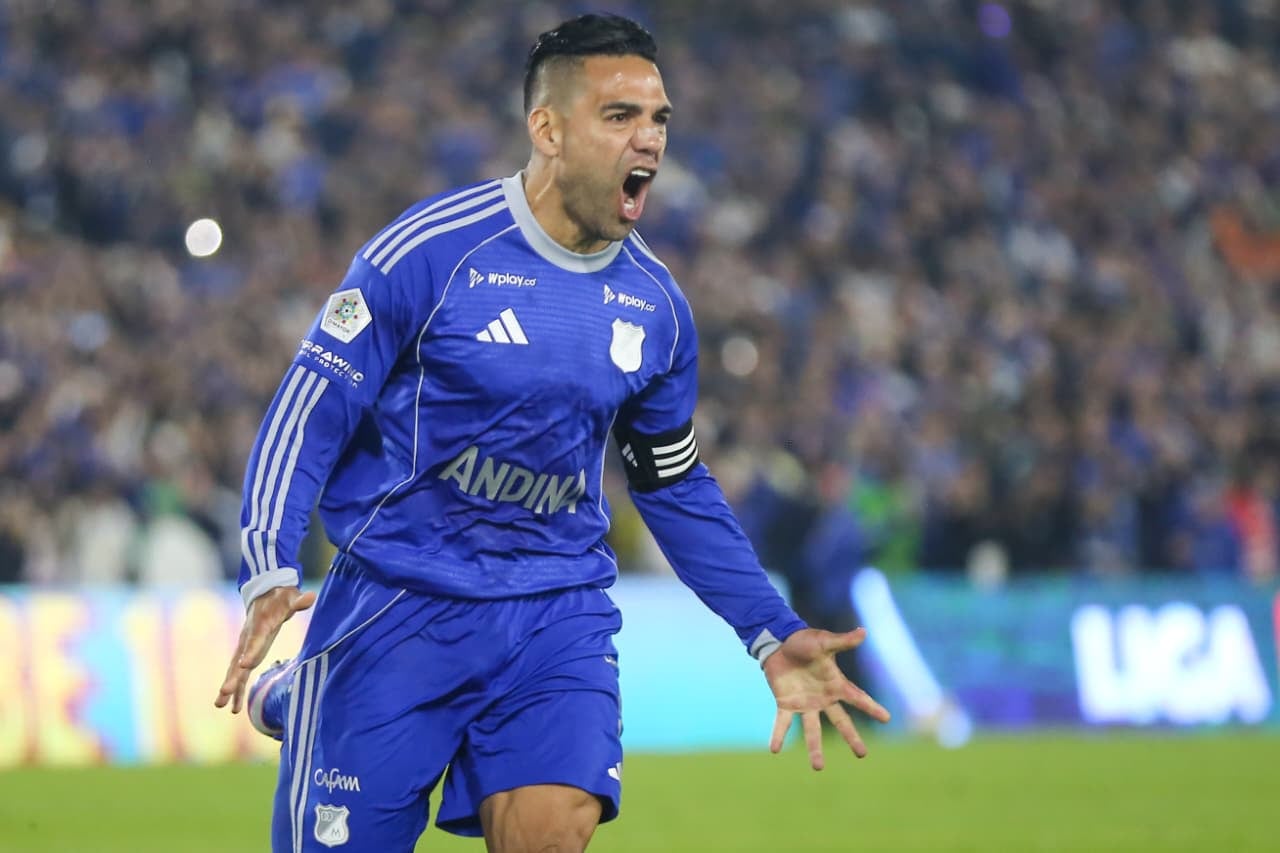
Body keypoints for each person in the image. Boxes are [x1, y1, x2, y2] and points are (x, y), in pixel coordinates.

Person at [214, 13, 889, 852]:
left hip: (553, 610)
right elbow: (309, 409)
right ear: (548, 129)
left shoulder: (658, 306)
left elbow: (671, 481)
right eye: (620, 116)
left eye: (659, 119)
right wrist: (268, 564)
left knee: (550, 834)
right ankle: (306, 687)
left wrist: (769, 629)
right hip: (398, 602)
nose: (648, 139)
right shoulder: (429, 252)